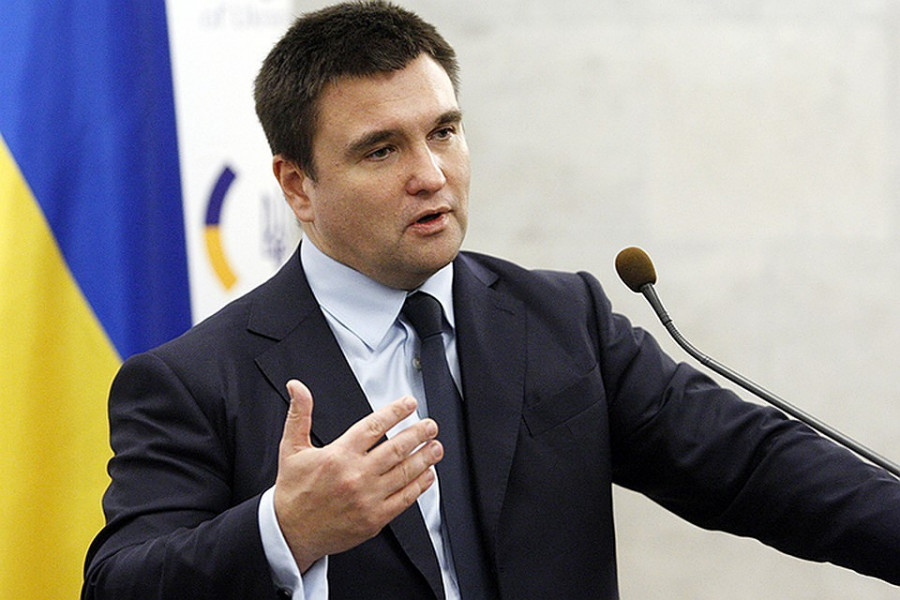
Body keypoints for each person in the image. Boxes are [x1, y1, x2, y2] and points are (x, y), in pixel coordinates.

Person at [82, 2, 900, 598]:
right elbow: (120, 582)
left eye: (443, 131)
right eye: (381, 150)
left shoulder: (563, 319)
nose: (430, 174)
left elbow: (752, 464)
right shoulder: (198, 380)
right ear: (298, 185)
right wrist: (284, 531)